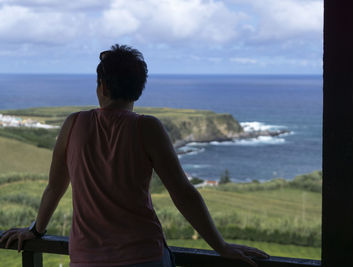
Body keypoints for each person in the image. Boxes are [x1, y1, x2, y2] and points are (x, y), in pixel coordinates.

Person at [0, 44, 269, 266]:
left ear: (102, 87)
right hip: (143, 256)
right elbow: (183, 193)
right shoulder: (147, 127)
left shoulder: (73, 124)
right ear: (139, 89)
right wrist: (221, 246)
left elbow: (55, 187)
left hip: (86, 258)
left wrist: (35, 230)